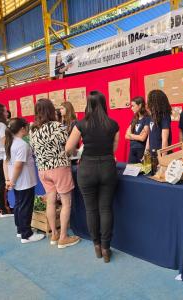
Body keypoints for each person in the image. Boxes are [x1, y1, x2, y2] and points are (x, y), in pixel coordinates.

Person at [66, 91, 119, 263]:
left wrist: (78, 150)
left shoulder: (81, 124)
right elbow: (114, 150)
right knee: (105, 209)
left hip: (87, 168)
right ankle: (106, 248)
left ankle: (96, 245)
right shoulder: (113, 124)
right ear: (104, 104)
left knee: (91, 209)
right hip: (107, 168)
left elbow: (68, 149)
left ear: (88, 105)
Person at [29, 98, 80, 249]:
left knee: (50, 201)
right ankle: (64, 237)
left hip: (43, 170)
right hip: (59, 168)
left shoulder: (33, 130)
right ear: (51, 111)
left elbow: (33, 149)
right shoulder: (58, 127)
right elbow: (69, 147)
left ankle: (54, 234)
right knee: (66, 202)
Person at [3, 118, 45, 243]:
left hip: (16, 181)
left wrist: (8, 180)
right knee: (25, 206)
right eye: (26, 126)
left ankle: (20, 230)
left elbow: (5, 163)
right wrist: (12, 180)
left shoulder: (10, 143)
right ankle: (26, 234)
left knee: (19, 205)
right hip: (24, 181)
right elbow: (18, 165)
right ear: (22, 129)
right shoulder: (22, 145)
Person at [145, 90, 172, 154]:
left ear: (155, 102)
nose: (147, 102)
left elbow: (165, 140)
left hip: (160, 154)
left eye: (149, 100)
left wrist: (163, 158)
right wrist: (146, 152)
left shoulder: (165, 116)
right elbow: (150, 135)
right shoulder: (151, 116)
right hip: (152, 153)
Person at [125, 96, 149, 163]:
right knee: (130, 171)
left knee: (142, 172)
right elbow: (126, 136)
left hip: (141, 150)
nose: (131, 108)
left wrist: (131, 135)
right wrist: (136, 136)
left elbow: (142, 138)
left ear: (140, 105)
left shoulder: (147, 118)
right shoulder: (134, 119)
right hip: (132, 149)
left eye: (133, 106)